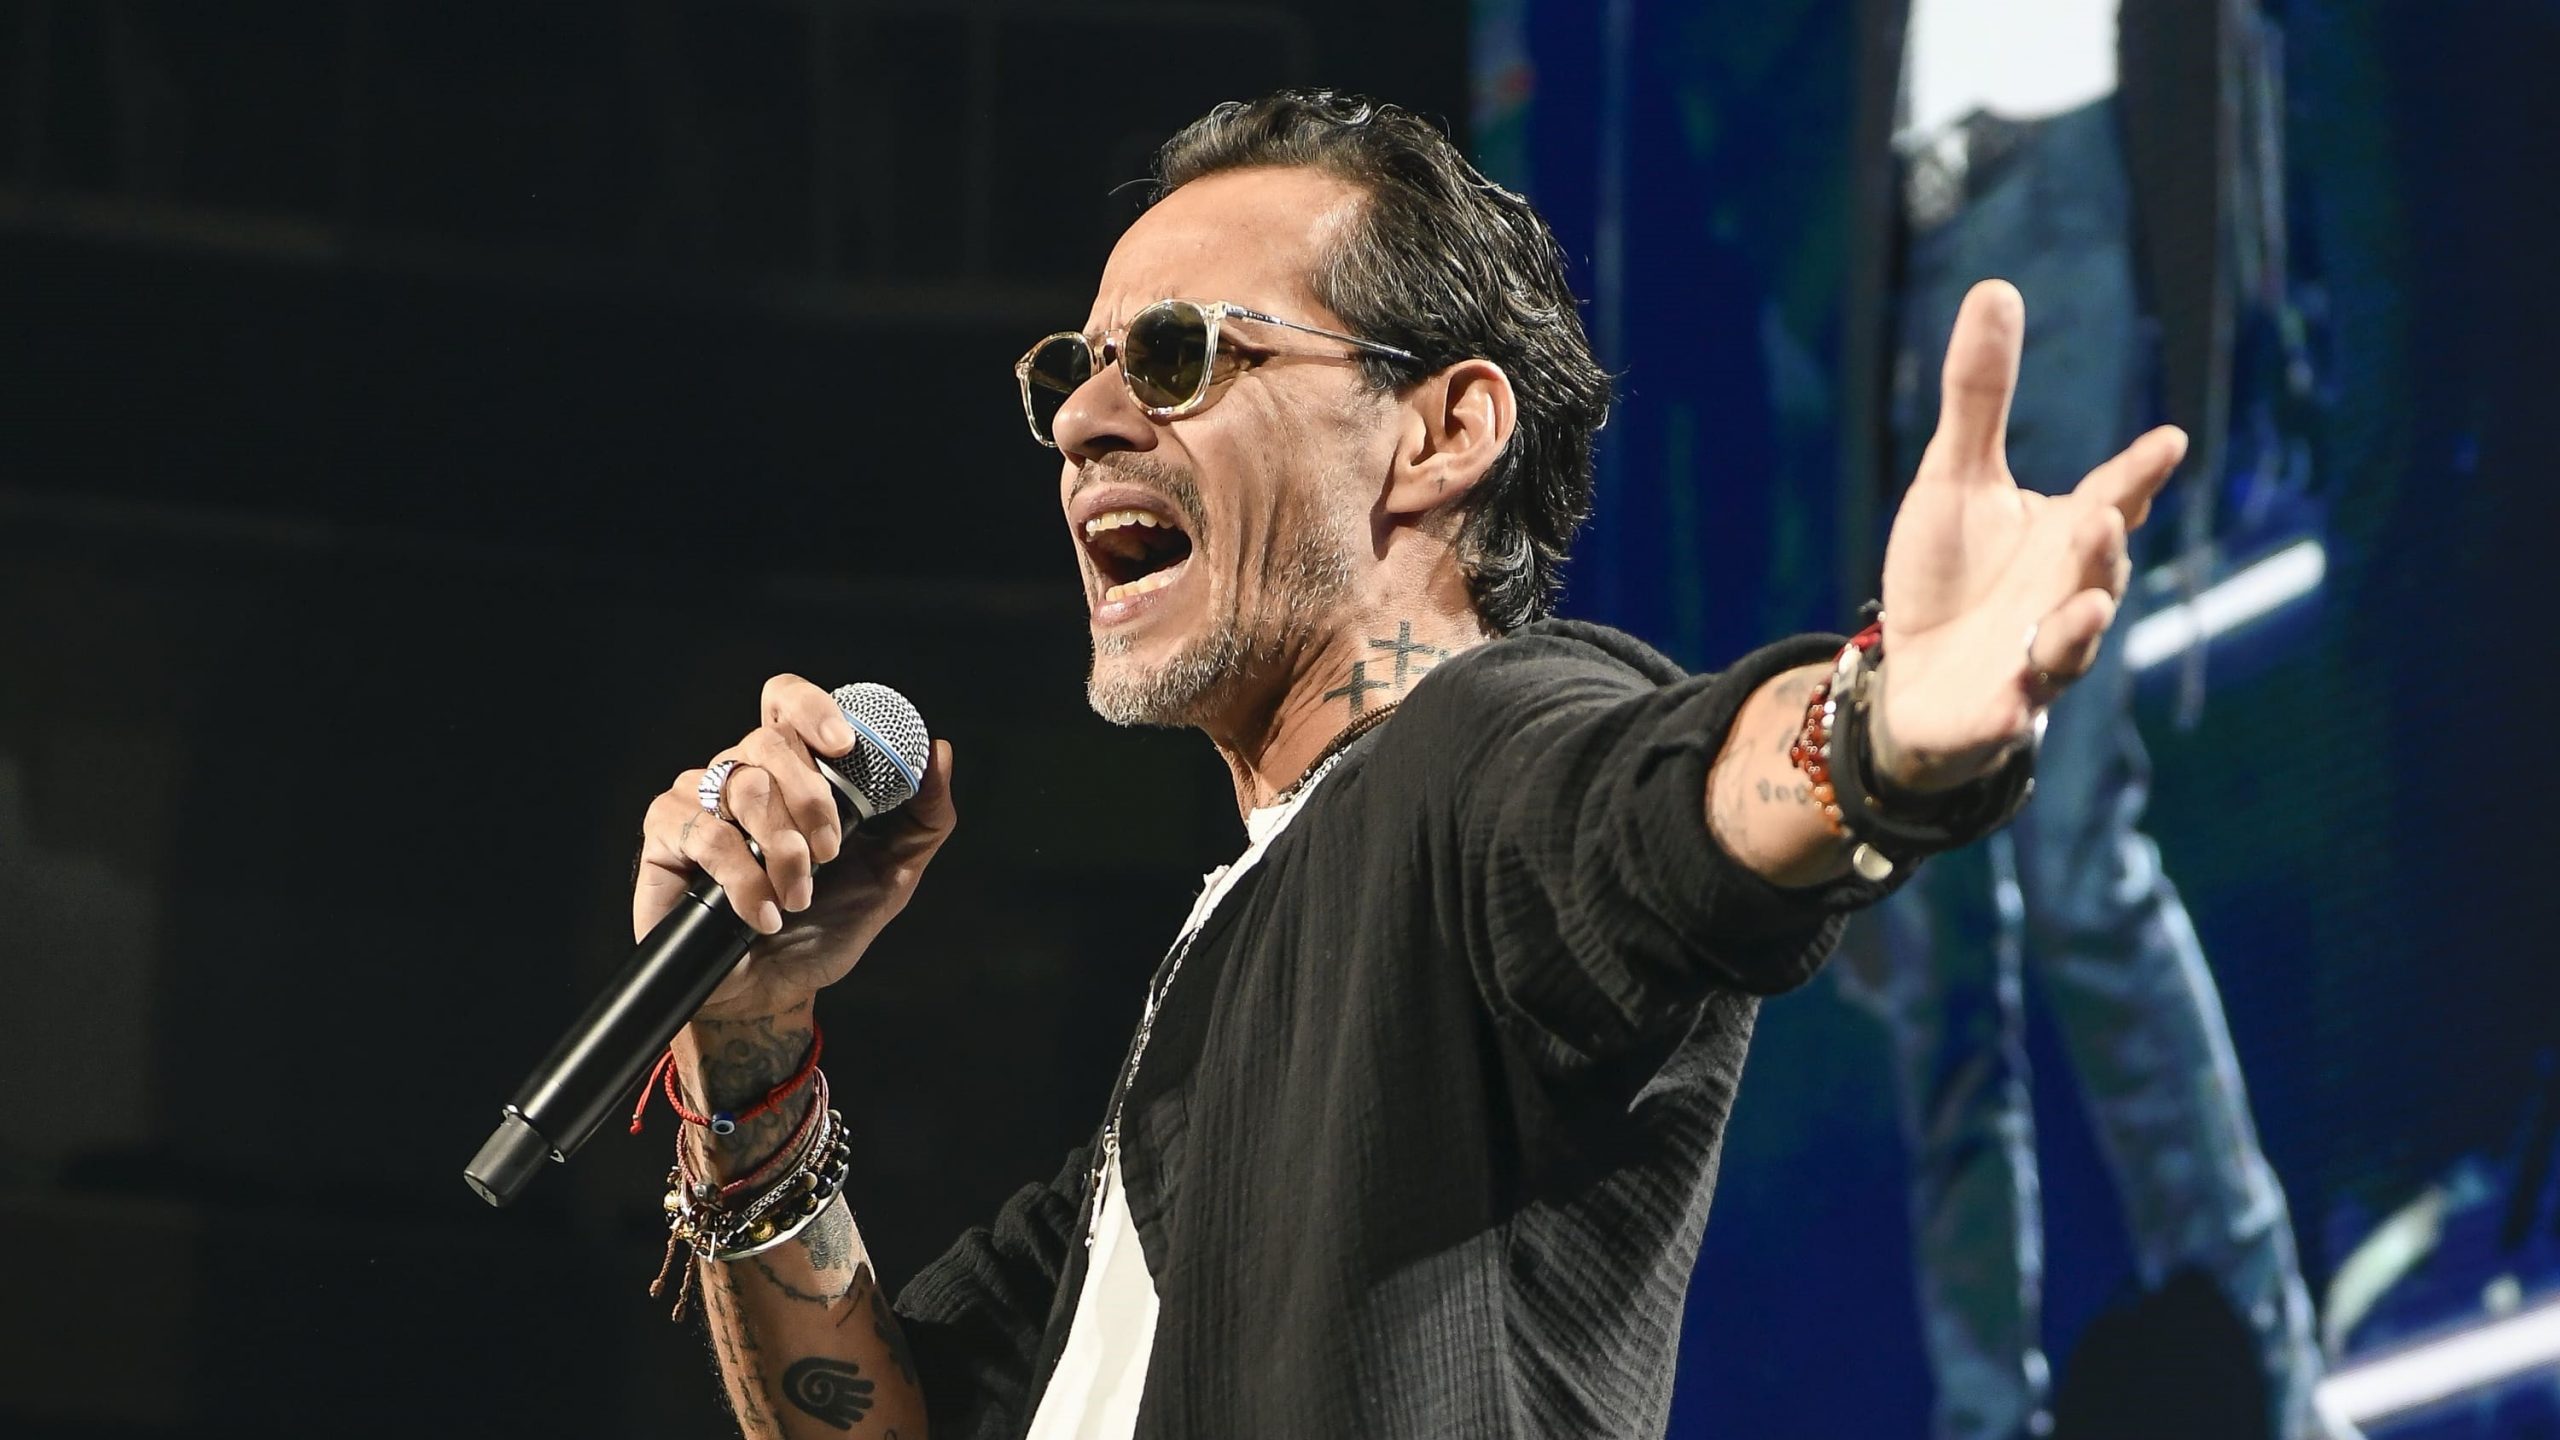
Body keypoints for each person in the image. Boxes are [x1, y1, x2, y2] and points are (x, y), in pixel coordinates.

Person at [626, 91, 2184, 1440]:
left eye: (1174, 356)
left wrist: (1880, 727)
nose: (1085, 420)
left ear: (1440, 434)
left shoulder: (1473, 762)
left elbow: (1655, 816)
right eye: (1073, 373)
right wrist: (744, 1056)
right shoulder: (1216, 1016)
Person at [1831, 5, 2337, 1438]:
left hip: (2060, 181)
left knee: (2072, 861)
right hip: (1903, 227)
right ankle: (1984, 1413)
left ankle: (2271, 1388)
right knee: (1929, 919)